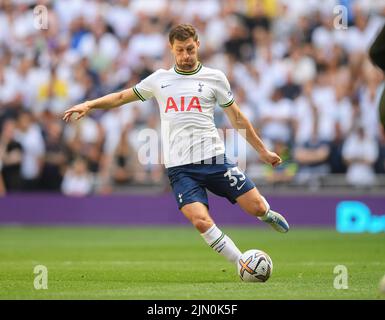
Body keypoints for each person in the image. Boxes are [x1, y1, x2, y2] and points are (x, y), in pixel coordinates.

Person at [63, 24, 289, 269]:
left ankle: (266, 214)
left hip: (215, 159)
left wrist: (263, 152)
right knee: (201, 221)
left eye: (190, 49)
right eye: (180, 50)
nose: (186, 56)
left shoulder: (215, 78)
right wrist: (89, 104)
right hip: (181, 169)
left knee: (256, 207)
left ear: (198, 45)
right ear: (171, 49)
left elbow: (237, 117)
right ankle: (241, 262)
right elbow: (121, 97)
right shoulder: (159, 80)